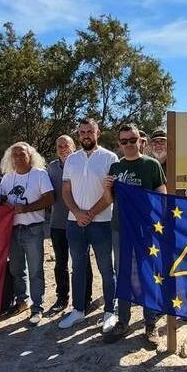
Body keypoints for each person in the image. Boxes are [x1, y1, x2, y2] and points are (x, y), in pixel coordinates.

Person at [101, 123, 167, 346]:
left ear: (141, 140)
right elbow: (110, 201)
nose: (129, 144)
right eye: (124, 141)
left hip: (145, 230)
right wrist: (106, 188)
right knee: (123, 274)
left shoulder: (151, 165)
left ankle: (150, 324)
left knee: (147, 274)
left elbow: (162, 198)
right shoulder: (116, 168)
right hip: (121, 228)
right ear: (119, 144)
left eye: (133, 139)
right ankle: (123, 321)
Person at [57, 118, 118, 331]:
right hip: (75, 224)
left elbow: (110, 195)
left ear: (97, 132)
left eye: (89, 131)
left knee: (106, 268)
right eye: (82, 132)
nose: (85, 135)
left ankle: (111, 310)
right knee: (78, 268)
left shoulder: (110, 158)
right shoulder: (72, 160)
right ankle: (78, 310)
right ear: (78, 134)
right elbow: (66, 190)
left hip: (102, 222)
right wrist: (77, 213)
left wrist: (90, 213)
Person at [0, 142, 55, 325]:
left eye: (22, 154)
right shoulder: (7, 178)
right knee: (16, 269)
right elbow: (1, 198)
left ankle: (37, 307)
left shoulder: (40, 174)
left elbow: (49, 198)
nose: (18, 157)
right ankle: (22, 300)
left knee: (35, 270)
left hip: (33, 229)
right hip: (13, 230)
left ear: (30, 156)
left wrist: (26, 208)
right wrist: (4, 204)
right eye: (14, 154)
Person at [45, 135, 94, 317]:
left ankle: (85, 299)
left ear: (74, 147)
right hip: (57, 223)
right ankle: (61, 299)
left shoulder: (82, 164)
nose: (63, 148)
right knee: (60, 263)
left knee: (82, 263)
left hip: (79, 221)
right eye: (59, 146)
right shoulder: (50, 168)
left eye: (67, 145)